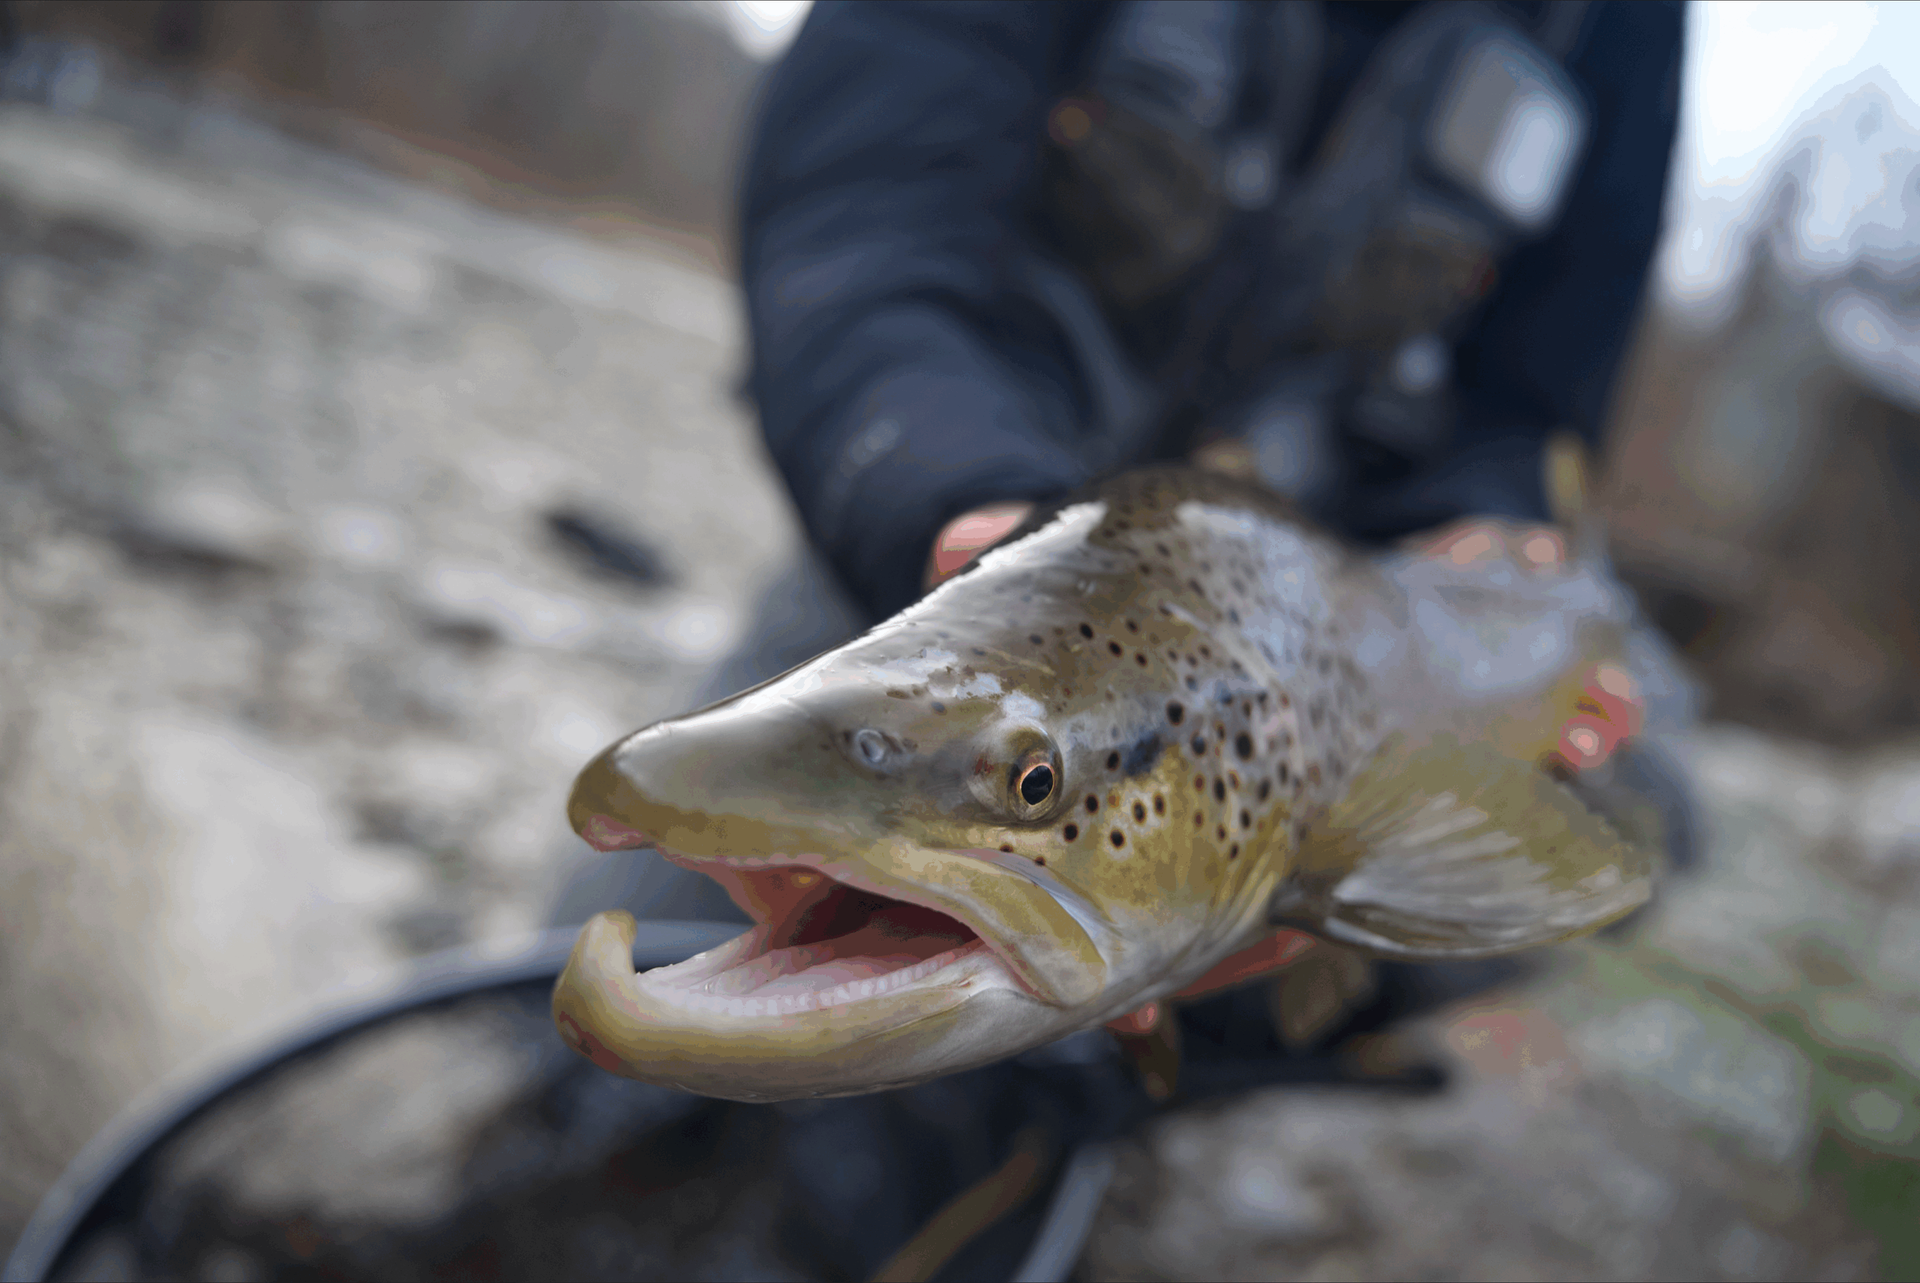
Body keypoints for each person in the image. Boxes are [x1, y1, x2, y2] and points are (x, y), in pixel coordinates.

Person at [569, 5, 1695, 1276]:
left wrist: (1500, 527)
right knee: (590, 1082)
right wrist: (960, 507)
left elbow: (1533, 401)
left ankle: (1156, 1053)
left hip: (1340, 590)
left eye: (1035, 789)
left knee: (1648, 805)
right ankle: (1086, 1002)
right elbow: (865, 228)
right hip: (965, 537)